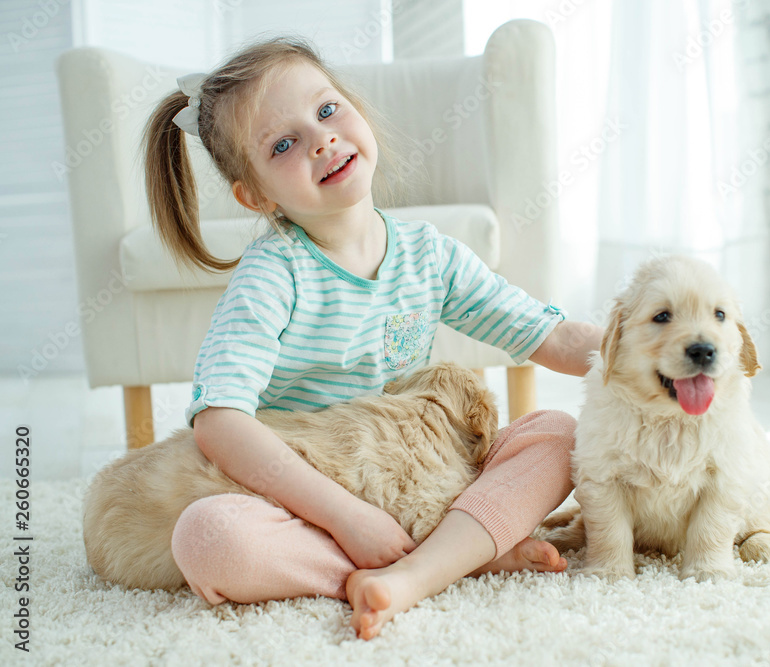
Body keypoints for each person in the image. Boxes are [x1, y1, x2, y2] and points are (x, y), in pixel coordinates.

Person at [143, 36, 602, 640]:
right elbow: (219, 419)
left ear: (355, 109)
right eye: (283, 144)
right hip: (308, 502)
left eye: (327, 111)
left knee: (555, 435)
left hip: (420, 483)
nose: (321, 139)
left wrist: (659, 355)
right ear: (255, 195)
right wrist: (345, 515)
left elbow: (548, 335)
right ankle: (449, 559)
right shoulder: (273, 275)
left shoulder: (429, 254)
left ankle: (417, 568)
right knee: (209, 538)